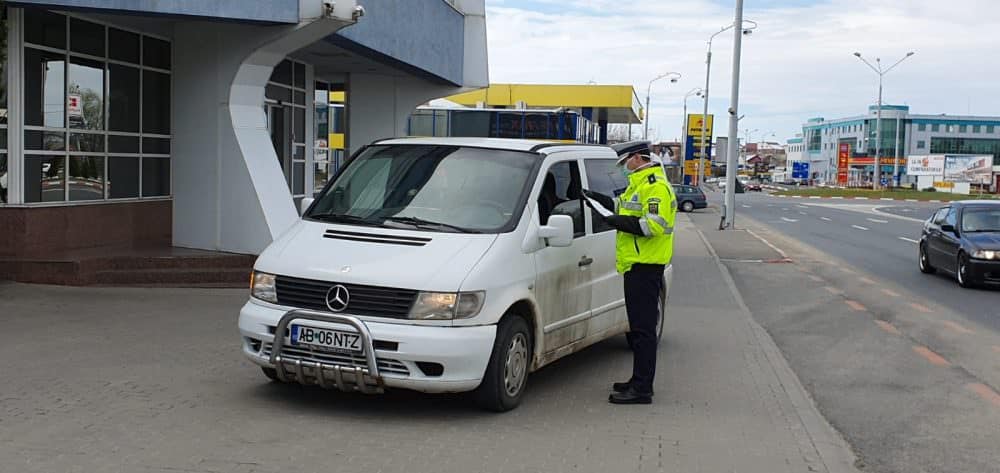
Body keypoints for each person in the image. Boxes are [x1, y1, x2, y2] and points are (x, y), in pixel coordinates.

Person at [584, 141, 677, 405]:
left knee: (644, 330)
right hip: (635, 265)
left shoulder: (655, 186)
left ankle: (642, 389)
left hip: (646, 266)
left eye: (625, 163)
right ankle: (637, 380)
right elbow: (621, 207)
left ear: (637, 158)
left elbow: (653, 226)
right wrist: (594, 199)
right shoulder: (639, 184)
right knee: (637, 328)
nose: (623, 169)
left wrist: (615, 221)